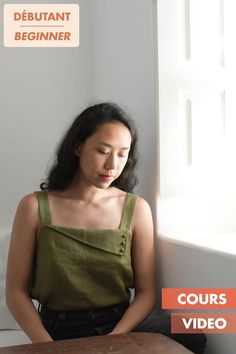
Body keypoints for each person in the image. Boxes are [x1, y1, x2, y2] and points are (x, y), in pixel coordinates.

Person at [6, 102, 206, 353]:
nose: (113, 164)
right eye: (103, 151)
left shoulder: (137, 209)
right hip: (57, 331)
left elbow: (146, 294)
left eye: (123, 154)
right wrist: (47, 347)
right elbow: (16, 292)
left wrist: (114, 340)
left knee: (189, 331)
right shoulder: (33, 206)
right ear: (77, 147)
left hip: (120, 326)